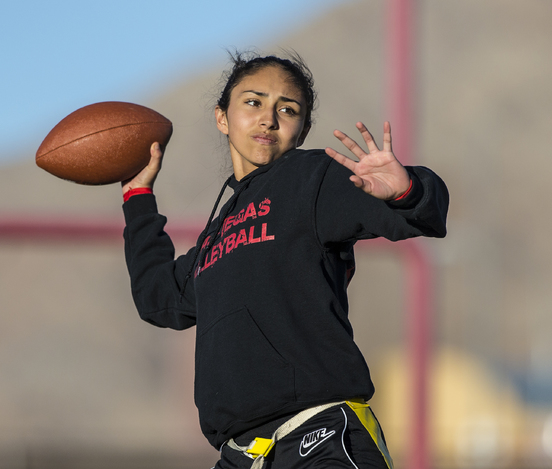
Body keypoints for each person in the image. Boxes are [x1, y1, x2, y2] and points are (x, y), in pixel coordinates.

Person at [120, 52, 449, 469]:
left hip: (321, 436)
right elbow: (160, 299)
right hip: (241, 455)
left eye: (287, 109)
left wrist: (408, 192)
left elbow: (421, 214)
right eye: (253, 102)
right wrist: (138, 200)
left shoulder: (312, 179)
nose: (269, 118)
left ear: (302, 129)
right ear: (222, 117)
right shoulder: (218, 232)